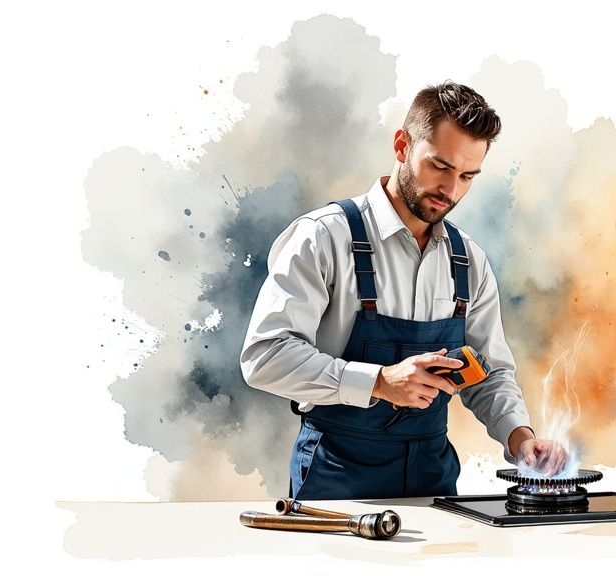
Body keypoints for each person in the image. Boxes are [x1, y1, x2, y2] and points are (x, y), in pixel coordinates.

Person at [240, 81, 568, 500]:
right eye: (441, 167)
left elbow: (489, 374)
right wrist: (378, 381)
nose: (451, 191)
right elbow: (264, 356)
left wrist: (521, 439)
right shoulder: (322, 238)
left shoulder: (469, 262)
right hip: (337, 475)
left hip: (433, 474)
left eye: (467, 176)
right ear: (401, 145)